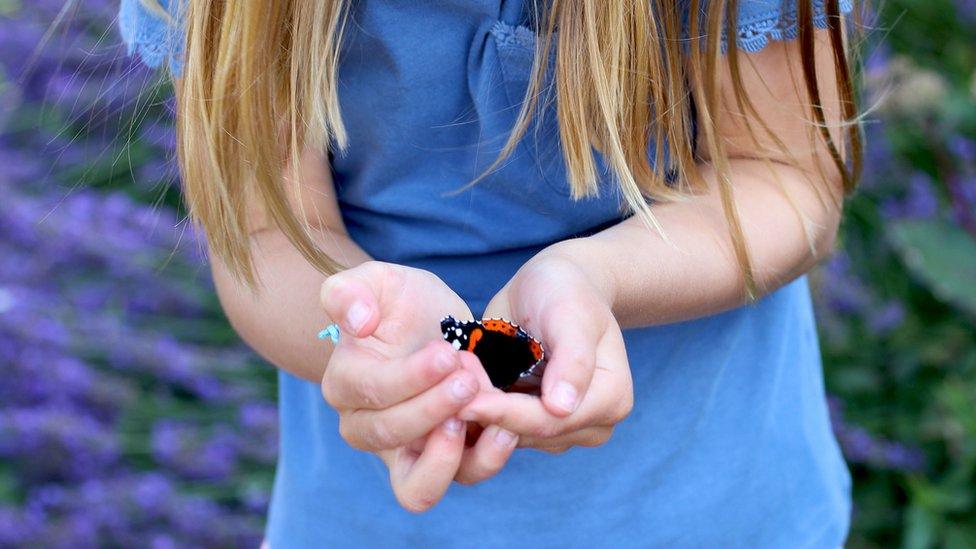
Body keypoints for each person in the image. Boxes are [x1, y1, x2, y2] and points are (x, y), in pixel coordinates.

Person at [119, 0, 861, 546]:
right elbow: (262, 237)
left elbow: (786, 180)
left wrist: (595, 275)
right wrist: (354, 328)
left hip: (722, 514)